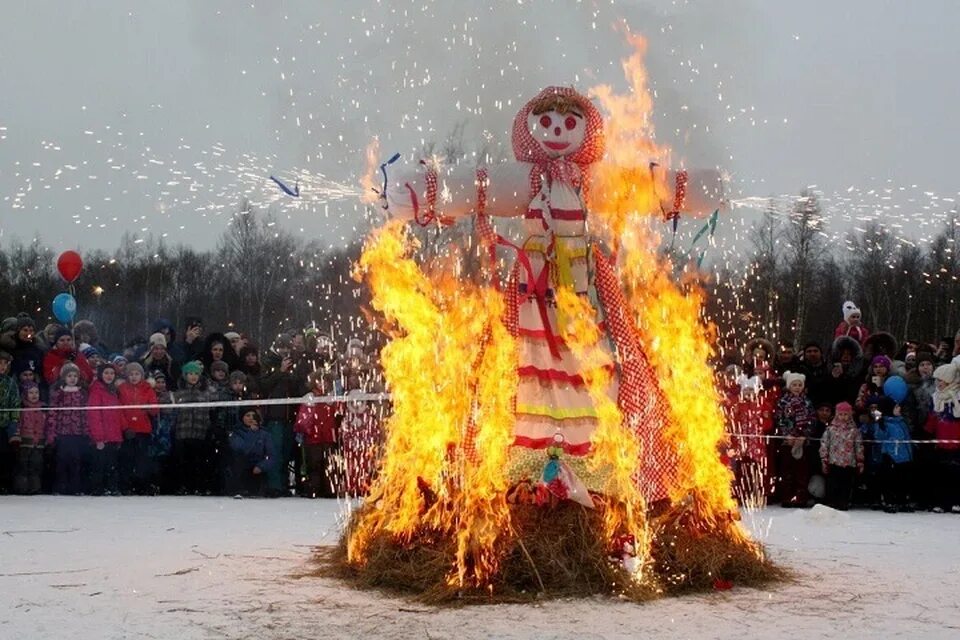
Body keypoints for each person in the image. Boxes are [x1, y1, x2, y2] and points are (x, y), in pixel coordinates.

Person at [259, 332, 301, 497]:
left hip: (290, 415)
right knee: (274, 452)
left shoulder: (294, 363)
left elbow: (296, 385)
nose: (284, 350)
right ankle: (274, 485)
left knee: (286, 452)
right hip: (274, 415)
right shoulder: (267, 362)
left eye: (287, 347)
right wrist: (281, 371)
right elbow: (264, 385)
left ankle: (284, 485)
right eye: (281, 347)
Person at [295, 370, 343, 498]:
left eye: (325, 381)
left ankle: (330, 490)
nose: (323, 384)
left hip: (328, 436)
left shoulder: (333, 398)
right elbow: (302, 419)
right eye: (319, 381)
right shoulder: (309, 398)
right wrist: (303, 431)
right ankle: (313, 489)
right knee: (314, 464)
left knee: (330, 463)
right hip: (313, 437)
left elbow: (339, 414)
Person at [46, 363, 90, 495]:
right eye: (69, 376)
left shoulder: (82, 393)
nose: (72, 378)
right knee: (61, 461)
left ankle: (75, 488)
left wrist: (87, 431)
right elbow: (52, 413)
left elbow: (85, 414)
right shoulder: (58, 393)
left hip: (77, 433)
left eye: (75, 376)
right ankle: (60, 488)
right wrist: (51, 433)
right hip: (62, 433)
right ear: (63, 377)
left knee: (76, 461)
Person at [774, 371, 815, 507]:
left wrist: (804, 435)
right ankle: (787, 497)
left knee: (801, 471)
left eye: (799, 385)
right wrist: (786, 434)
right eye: (794, 385)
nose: (797, 387)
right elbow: (780, 420)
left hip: (802, 441)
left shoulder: (807, 402)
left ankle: (800, 497)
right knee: (787, 470)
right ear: (789, 386)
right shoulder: (783, 402)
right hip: (788, 441)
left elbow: (811, 419)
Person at [117, 362, 158, 494]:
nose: (134, 377)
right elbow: (119, 411)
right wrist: (125, 428)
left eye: (137, 374)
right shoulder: (122, 389)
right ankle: (127, 486)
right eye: (131, 374)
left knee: (142, 460)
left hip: (143, 430)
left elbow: (155, 410)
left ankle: (142, 487)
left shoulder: (148, 388)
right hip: (128, 431)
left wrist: (147, 407)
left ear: (142, 375)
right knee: (127, 459)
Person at [924, 362, 960, 513]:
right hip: (940, 441)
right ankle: (940, 501)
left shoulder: (957, 398)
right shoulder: (935, 398)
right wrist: (928, 430)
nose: (938, 383)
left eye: (941, 380)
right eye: (936, 380)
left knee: (956, 473)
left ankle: (956, 501)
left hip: (956, 442)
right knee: (941, 473)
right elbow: (933, 418)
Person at [172, 360, 212, 494]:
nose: (193, 376)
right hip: (182, 431)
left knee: (198, 462)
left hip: (200, 431)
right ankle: (183, 486)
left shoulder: (207, 392)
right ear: (185, 375)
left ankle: (198, 486)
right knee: (182, 462)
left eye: (196, 373)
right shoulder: (178, 393)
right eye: (190, 373)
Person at [87, 363, 124, 496]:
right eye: (106, 373)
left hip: (114, 435)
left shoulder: (114, 391)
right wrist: (98, 437)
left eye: (112, 373)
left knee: (112, 464)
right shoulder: (96, 391)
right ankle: (97, 488)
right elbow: (94, 415)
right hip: (101, 437)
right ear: (101, 375)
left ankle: (112, 487)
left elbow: (118, 413)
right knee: (99, 464)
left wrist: (123, 429)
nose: (109, 376)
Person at [819, 402, 863, 511]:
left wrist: (860, 461)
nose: (843, 417)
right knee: (832, 483)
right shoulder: (830, 429)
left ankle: (843, 501)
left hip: (848, 462)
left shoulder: (854, 431)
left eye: (845, 414)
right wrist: (824, 459)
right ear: (836, 415)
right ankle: (831, 501)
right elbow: (824, 444)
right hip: (833, 461)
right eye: (841, 414)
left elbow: (858, 446)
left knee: (846, 483)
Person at [873, 397, 913, 513]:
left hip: (904, 455)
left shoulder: (901, 421)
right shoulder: (884, 423)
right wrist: (878, 420)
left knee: (903, 478)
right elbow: (879, 437)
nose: (899, 408)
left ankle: (902, 500)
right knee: (890, 479)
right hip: (892, 456)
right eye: (896, 406)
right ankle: (889, 500)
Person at [229, 408, 275, 497]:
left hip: (257, 468)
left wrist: (261, 466)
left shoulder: (265, 434)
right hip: (242, 468)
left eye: (253, 416)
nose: (251, 418)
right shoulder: (236, 433)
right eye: (247, 415)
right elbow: (242, 449)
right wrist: (252, 433)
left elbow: (271, 455)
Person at [12, 382, 45, 494]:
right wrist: (16, 437)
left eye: (36, 392)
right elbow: (18, 424)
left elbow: (46, 425)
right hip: (25, 443)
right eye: (30, 393)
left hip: (38, 443)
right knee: (23, 466)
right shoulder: (22, 409)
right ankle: (22, 488)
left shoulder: (43, 409)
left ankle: (35, 488)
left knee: (36, 466)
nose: (34, 395)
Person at [0, 350, 20, 493]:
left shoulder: (10, 383)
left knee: (4, 455)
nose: (2, 366)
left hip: (4, 425)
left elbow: (15, 405)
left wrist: (13, 427)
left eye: (5, 364)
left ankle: (3, 484)